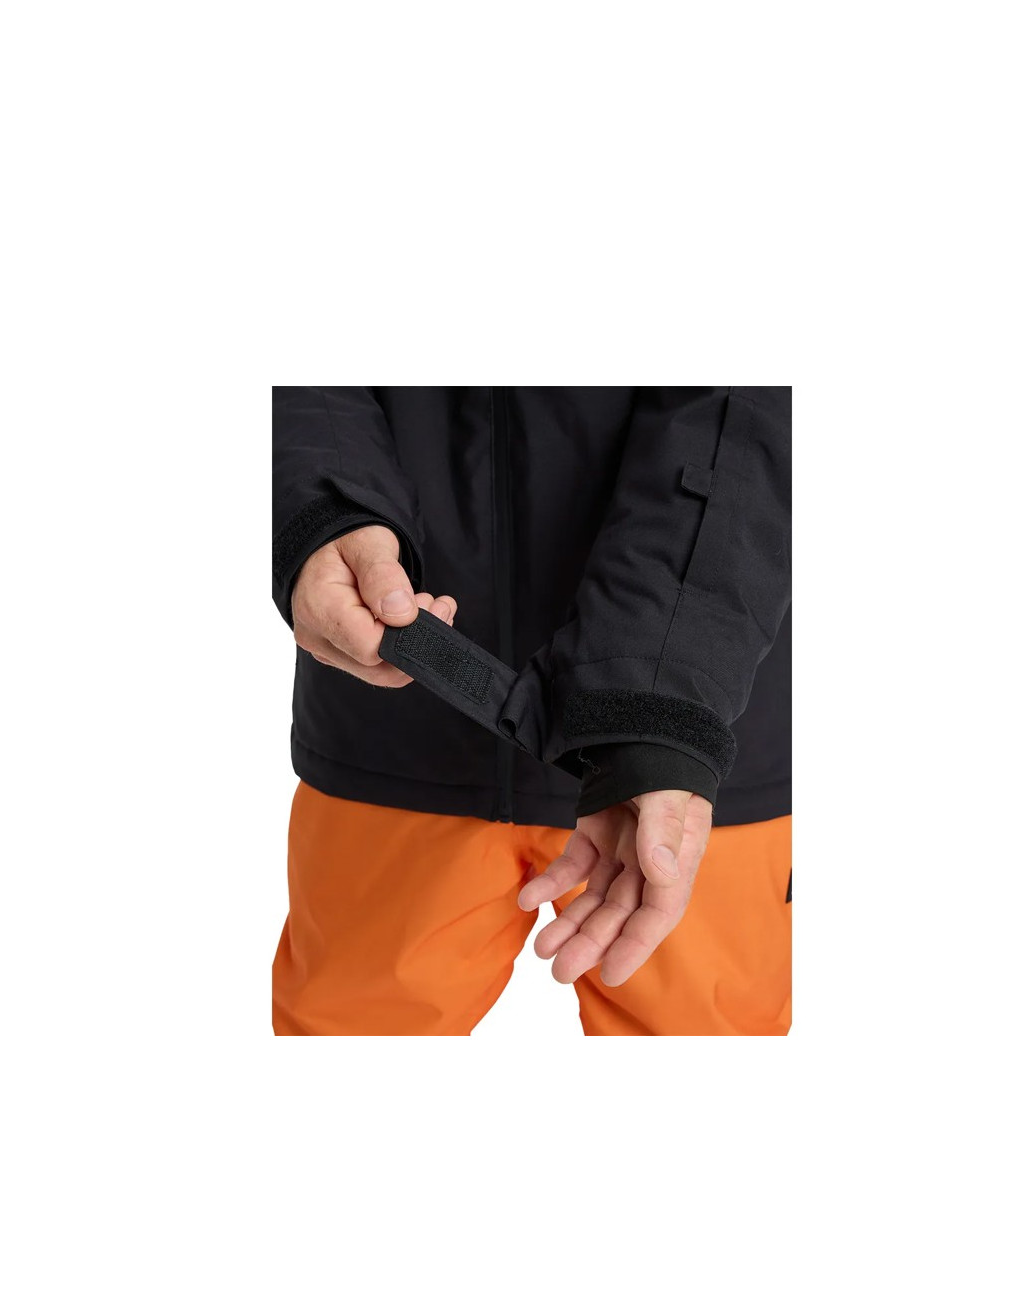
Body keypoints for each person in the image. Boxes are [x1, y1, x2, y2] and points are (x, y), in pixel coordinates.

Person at [271, 387, 791, 1036]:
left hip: (684, 753)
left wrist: (662, 700)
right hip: (390, 717)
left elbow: (752, 403)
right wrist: (326, 512)